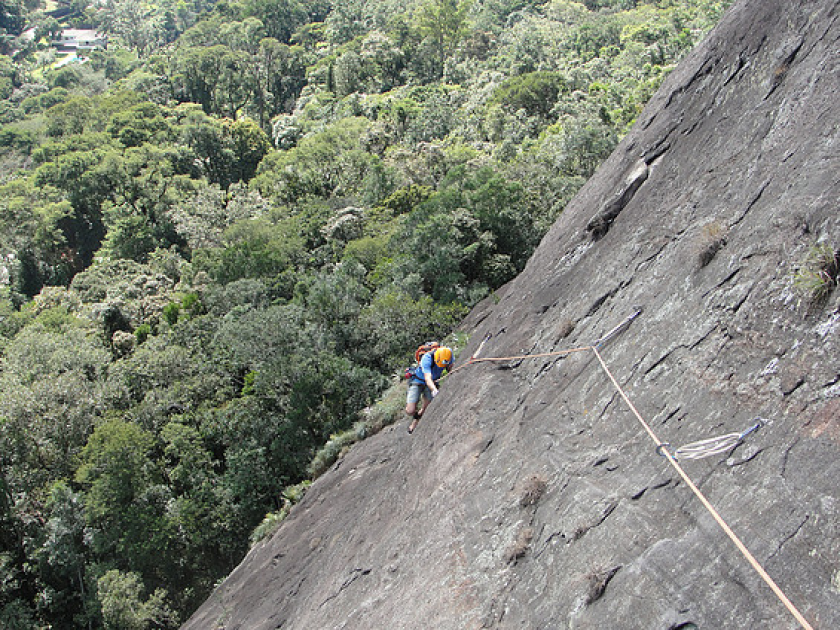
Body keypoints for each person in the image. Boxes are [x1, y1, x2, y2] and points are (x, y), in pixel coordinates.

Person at [406, 346, 453, 434]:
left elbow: (450, 366)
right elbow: (427, 378)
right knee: (410, 410)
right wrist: (434, 390)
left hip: (433, 381)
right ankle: (415, 416)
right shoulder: (427, 358)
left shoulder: (448, 354)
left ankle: (415, 422)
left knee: (426, 407)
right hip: (418, 380)